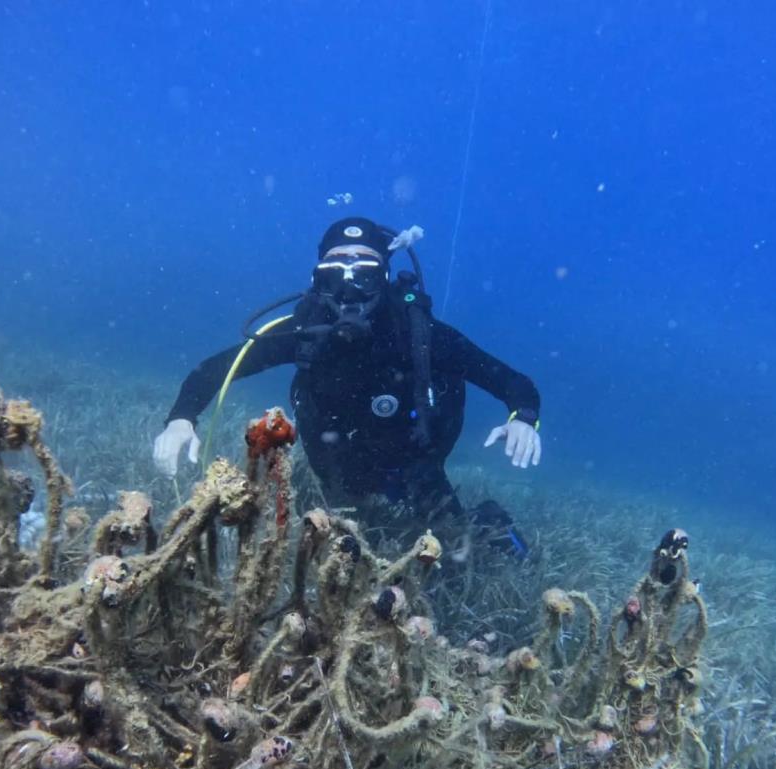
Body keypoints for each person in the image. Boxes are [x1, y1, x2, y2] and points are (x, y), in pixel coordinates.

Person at [153, 217, 541, 552]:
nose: (349, 290)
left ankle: (490, 524)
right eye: (333, 276)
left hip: (415, 462)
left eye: (366, 275)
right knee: (336, 540)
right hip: (338, 466)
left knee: (455, 546)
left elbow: (511, 381)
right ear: (317, 281)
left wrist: (523, 417)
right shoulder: (304, 332)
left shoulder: (418, 333)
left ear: (385, 277)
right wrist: (181, 418)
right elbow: (212, 370)